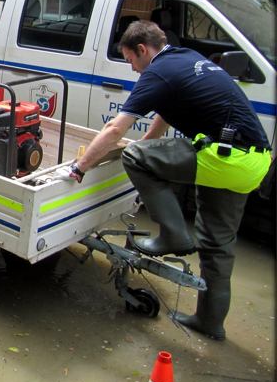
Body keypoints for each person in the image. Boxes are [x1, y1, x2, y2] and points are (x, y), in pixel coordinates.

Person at [64, 21, 271, 341]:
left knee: (133, 157)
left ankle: (173, 235)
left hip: (223, 155)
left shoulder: (156, 73)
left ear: (142, 50)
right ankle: (210, 323)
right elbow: (164, 115)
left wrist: (80, 167)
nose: (132, 68)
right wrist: (147, 145)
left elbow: (114, 131)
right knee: (219, 247)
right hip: (255, 162)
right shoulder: (186, 58)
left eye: (131, 60)